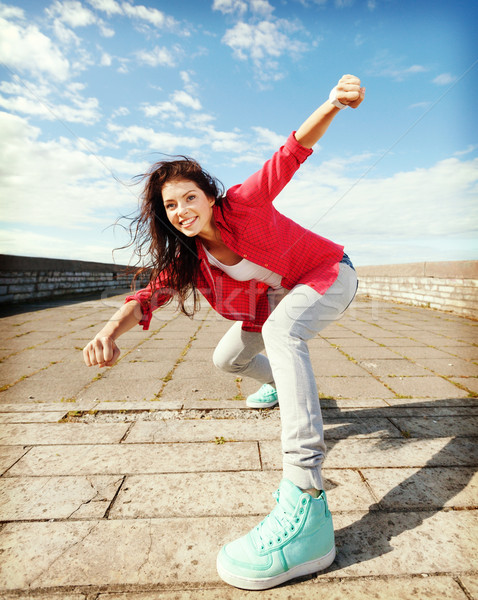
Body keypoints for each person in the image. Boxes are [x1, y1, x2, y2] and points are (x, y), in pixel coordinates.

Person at [83, 74, 365, 590]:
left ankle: (304, 496)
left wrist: (332, 103)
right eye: (171, 206)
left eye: (189, 198)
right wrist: (110, 330)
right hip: (271, 306)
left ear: (209, 197)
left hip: (327, 272)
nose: (182, 211)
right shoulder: (188, 259)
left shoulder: (244, 203)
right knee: (226, 359)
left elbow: (292, 150)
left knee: (283, 334)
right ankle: (286, 384)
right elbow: (145, 297)